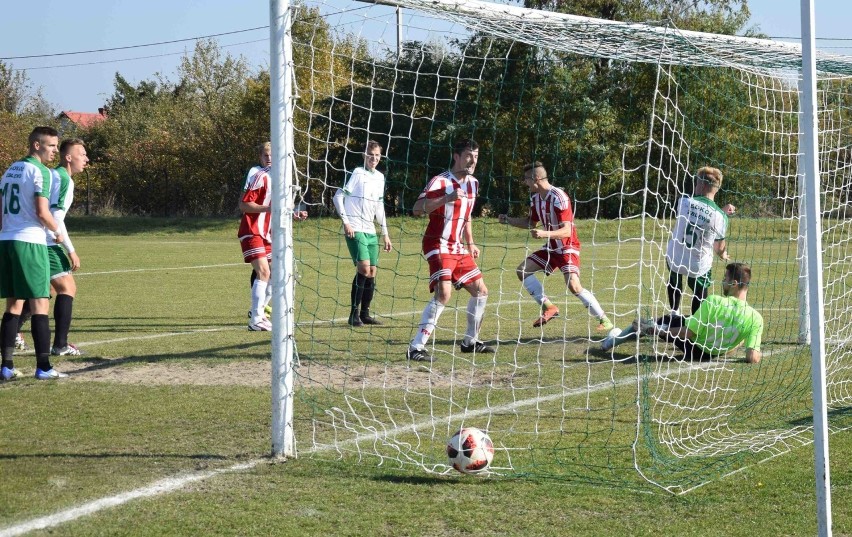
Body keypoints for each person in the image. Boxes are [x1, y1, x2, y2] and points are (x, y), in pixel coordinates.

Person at [498, 162, 613, 331]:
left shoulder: (559, 197)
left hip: (567, 246)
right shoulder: (536, 198)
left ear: (536, 178)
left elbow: (567, 231)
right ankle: (549, 307)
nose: (525, 183)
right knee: (522, 270)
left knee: (573, 285)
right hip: (551, 248)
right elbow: (531, 222)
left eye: (526, 179)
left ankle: (604, 320)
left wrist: (545, 234)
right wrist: (508, 220)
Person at [405, 139, 492, 363]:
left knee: (481, 291)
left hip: (457, 246)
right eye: (468, 156)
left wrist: (470, 242)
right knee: (444, 294)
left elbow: (467, 214)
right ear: (456, 157)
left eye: (476, 156)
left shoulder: (473, 183)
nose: (473, 161)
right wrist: (446, 198)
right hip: (437, 243)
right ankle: (416, 347)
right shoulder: (440, 182)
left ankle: (470, 342)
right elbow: (416, 209)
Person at [0, 126, 67, 380]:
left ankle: (6, 367)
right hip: (30, 242)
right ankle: (44, 368)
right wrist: (57, 233)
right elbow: (42, 212)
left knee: (13, 305)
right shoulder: (42, 172)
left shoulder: (9, 170)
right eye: (51, 146)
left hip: (6, 240)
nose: (54, 151)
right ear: (37, 145)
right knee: (40, 303)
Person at [602, 262, 763, 364]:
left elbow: (688, 333)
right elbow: (753, 357)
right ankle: (652, 327)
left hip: (693, 347)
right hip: (711, 354)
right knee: (686, 319)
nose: (722, 282)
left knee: (649, 323)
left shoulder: (715, 301)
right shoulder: (756, 319)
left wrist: (660, 331)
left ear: (734, 283)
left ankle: (610, 342)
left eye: (725, 278)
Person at [238, 154, 307, 331]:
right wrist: (270, 208)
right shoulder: (260, 176)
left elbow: (283, 210)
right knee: (263, 271)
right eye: (267, 155)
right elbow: (245, 205)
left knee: (275, 273)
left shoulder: (286, 182)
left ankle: (260, 315)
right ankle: (255, 319)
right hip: (252, 230)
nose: (271, 158)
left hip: (268, 234)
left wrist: (295, 215)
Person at [333, 140, 392, 327]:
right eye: (370, 155)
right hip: (355, 228)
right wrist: (346, 222)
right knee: (364, 269)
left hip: (370, 230)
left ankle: (365, 314)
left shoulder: (380, 177)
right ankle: (353, 314)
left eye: (377, 155)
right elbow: (338, 196)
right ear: (364, 156)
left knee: (372, 272)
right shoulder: (358, 173)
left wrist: (385, 233)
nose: (373, 158)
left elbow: (379, 206)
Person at [665, 166, 734, 315]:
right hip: (697, 264)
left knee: (674, 278)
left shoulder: (683, 202)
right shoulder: (720, 217)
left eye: (696, 183)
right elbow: (718, 247)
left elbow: (697, 213)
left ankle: (674, 312)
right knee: (700, 289)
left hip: (675, 258)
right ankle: (695, 324)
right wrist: (723, 255)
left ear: (702, 185)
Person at [45, 139, 88, 356]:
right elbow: (56, 219)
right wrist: (70, 249)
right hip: (46, 242)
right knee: (67, 288)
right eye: (82, 154)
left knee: (43, 290)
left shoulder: (50, 175)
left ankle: (13, 335)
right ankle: (60, 344)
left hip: (27, 239)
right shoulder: (64, 179)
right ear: (68, 157)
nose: (86, 159)